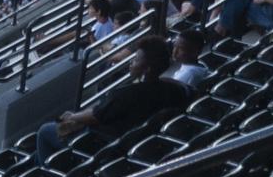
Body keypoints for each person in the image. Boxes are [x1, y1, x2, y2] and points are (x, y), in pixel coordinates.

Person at [35, 37, 191, 162]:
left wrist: (72, 116)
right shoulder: (176, 90)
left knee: (44, 131)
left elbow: (96, 115)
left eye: (136, 60)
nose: (131, 63)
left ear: (147, 68)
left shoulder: (127, 94)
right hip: (147, 146)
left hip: (107, 147)